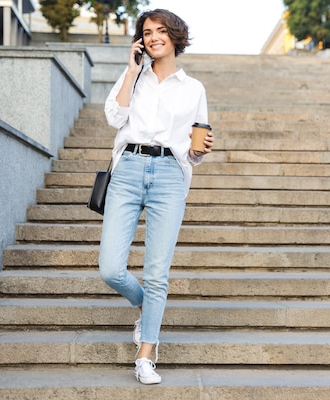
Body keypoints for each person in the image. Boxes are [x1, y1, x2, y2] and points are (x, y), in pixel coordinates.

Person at [98, 9, 214, 385]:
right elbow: (114, 117)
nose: (153, 37)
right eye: (147, 32)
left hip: (169, 173)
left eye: (161, 31)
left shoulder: (193, 88)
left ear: (175, 37)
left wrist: (200, 151)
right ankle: (145, 305)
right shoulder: (134, 76)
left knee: (157, 272)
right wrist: (132, 71)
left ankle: (146, 355)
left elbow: (193, 145)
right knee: (110, 268)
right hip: (129, 167)